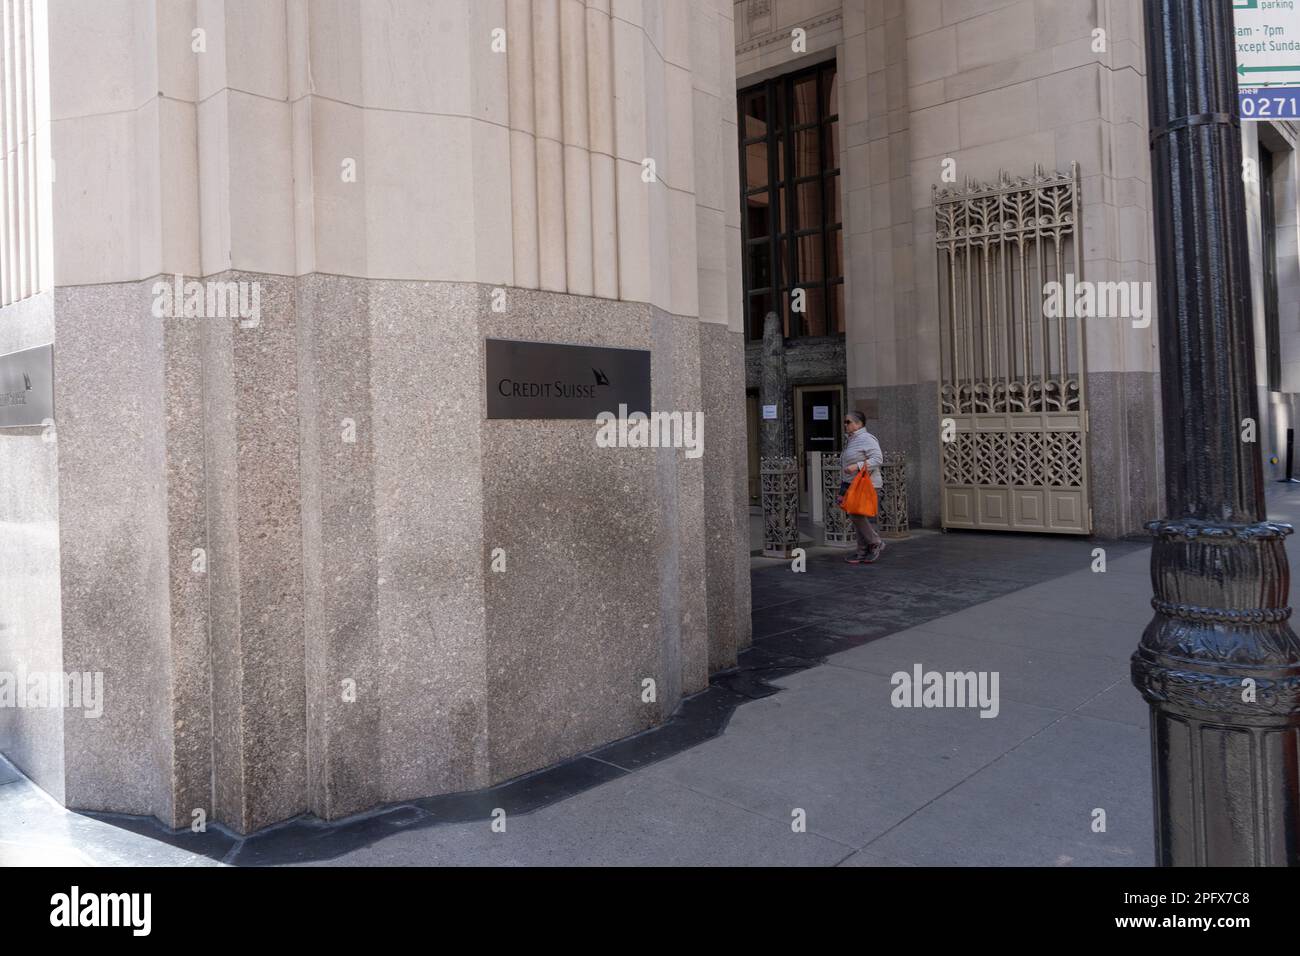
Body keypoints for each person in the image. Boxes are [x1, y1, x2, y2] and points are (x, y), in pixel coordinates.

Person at [838, 411, 885, 565]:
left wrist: (856, 466)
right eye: (845, 422)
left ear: (859, 424)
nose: (845, 424)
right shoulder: (852, 439)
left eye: (848, 422)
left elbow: (878, 459)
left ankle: (875, 542)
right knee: (857, 516)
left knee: (856, 515)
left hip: (867, 484)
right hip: (853, 484)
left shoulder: (866, 438)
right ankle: (862, 551)